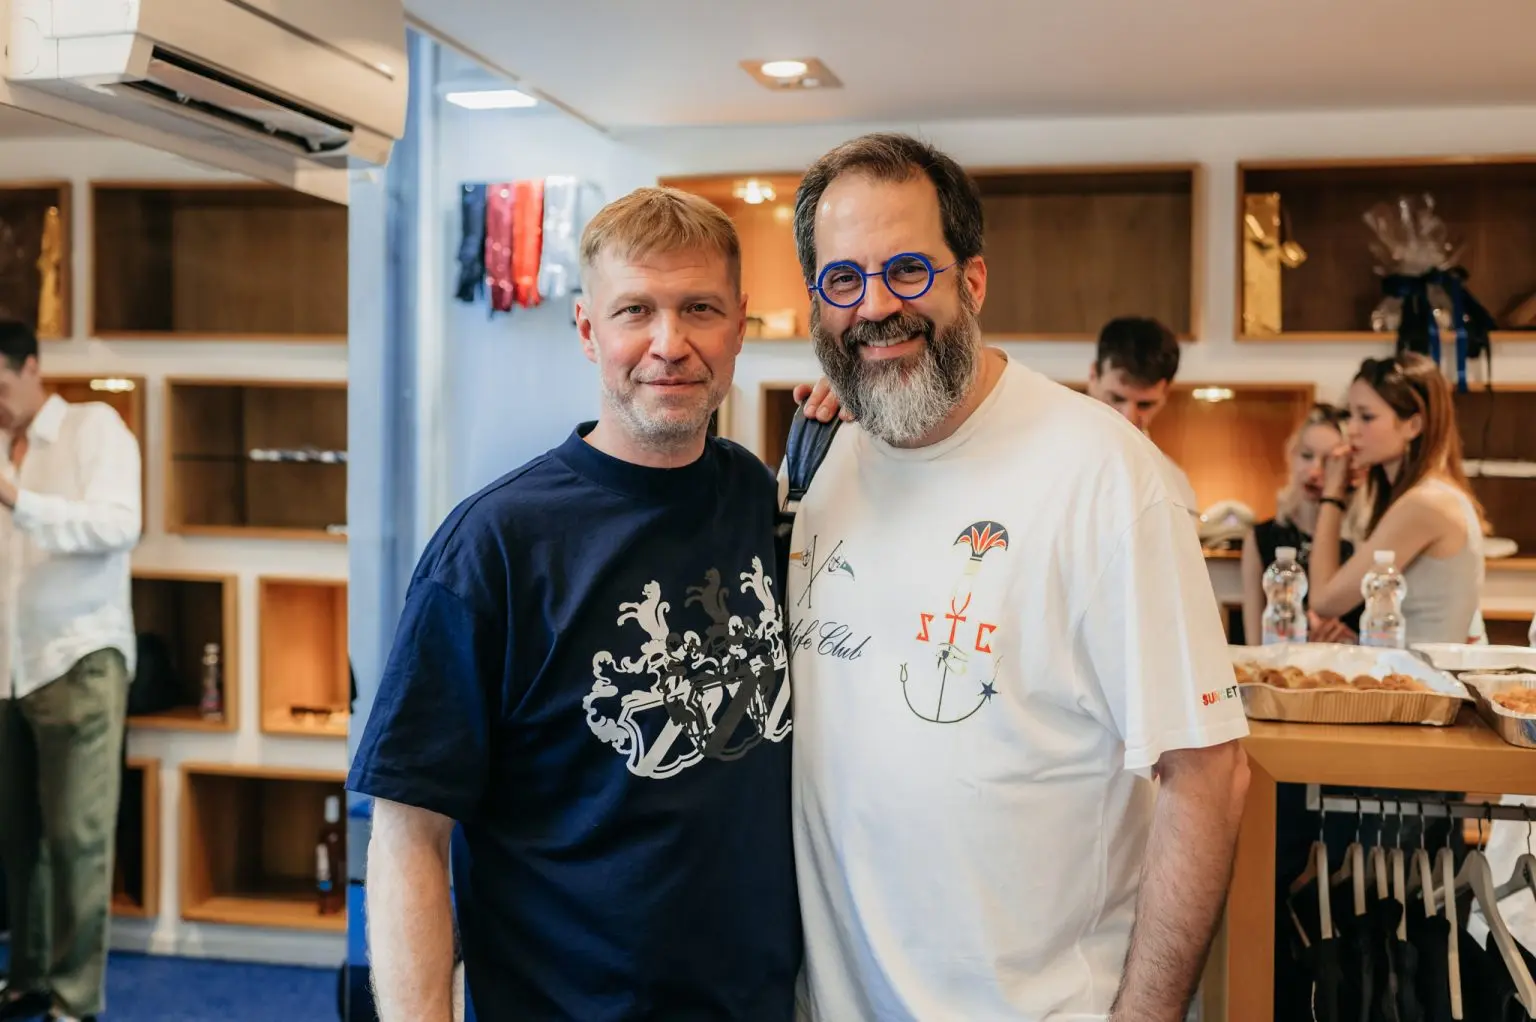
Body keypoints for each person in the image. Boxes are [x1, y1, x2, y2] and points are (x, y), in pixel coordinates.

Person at [783, 132, 1250, 1021]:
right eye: (842, 279)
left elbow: (1209, 771)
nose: (875, 306)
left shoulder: (1107, 475)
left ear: (973, 281)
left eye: (908, 270)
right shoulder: (822, 461)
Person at [346, 187, 801, 1022]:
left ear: (740, 327)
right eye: (636, 311)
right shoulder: (494, 547)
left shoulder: (752, 493)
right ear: (589, 330)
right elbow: (408, 833)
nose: (670, 344)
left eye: (699, 309)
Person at [0, 319, 141, 1022]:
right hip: (11, 665)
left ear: (31, 366)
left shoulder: (95, 429)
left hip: (78, 657)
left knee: (78, 838)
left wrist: (17, 499)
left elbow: (119, 525)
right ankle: (27, 978)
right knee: (18, 840)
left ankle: (75, 998)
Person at [1305, 353, 1487, 645]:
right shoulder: (1427, 496)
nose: (1352, 430)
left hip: (1425, 673)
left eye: (1366, 417)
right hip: (1414, 668)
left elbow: (1324, 600)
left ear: (1413, 425)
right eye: (1349, 415)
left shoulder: (1424, 504)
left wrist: (1332, 494)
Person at [1240, 402, 1365, 645]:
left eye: (1329, 461)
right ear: (1292, 456)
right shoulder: (1262, 538)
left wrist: (1349, 641)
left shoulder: (1363, 537)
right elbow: (1254, 643)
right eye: (1306, 456)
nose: (1314, 471)